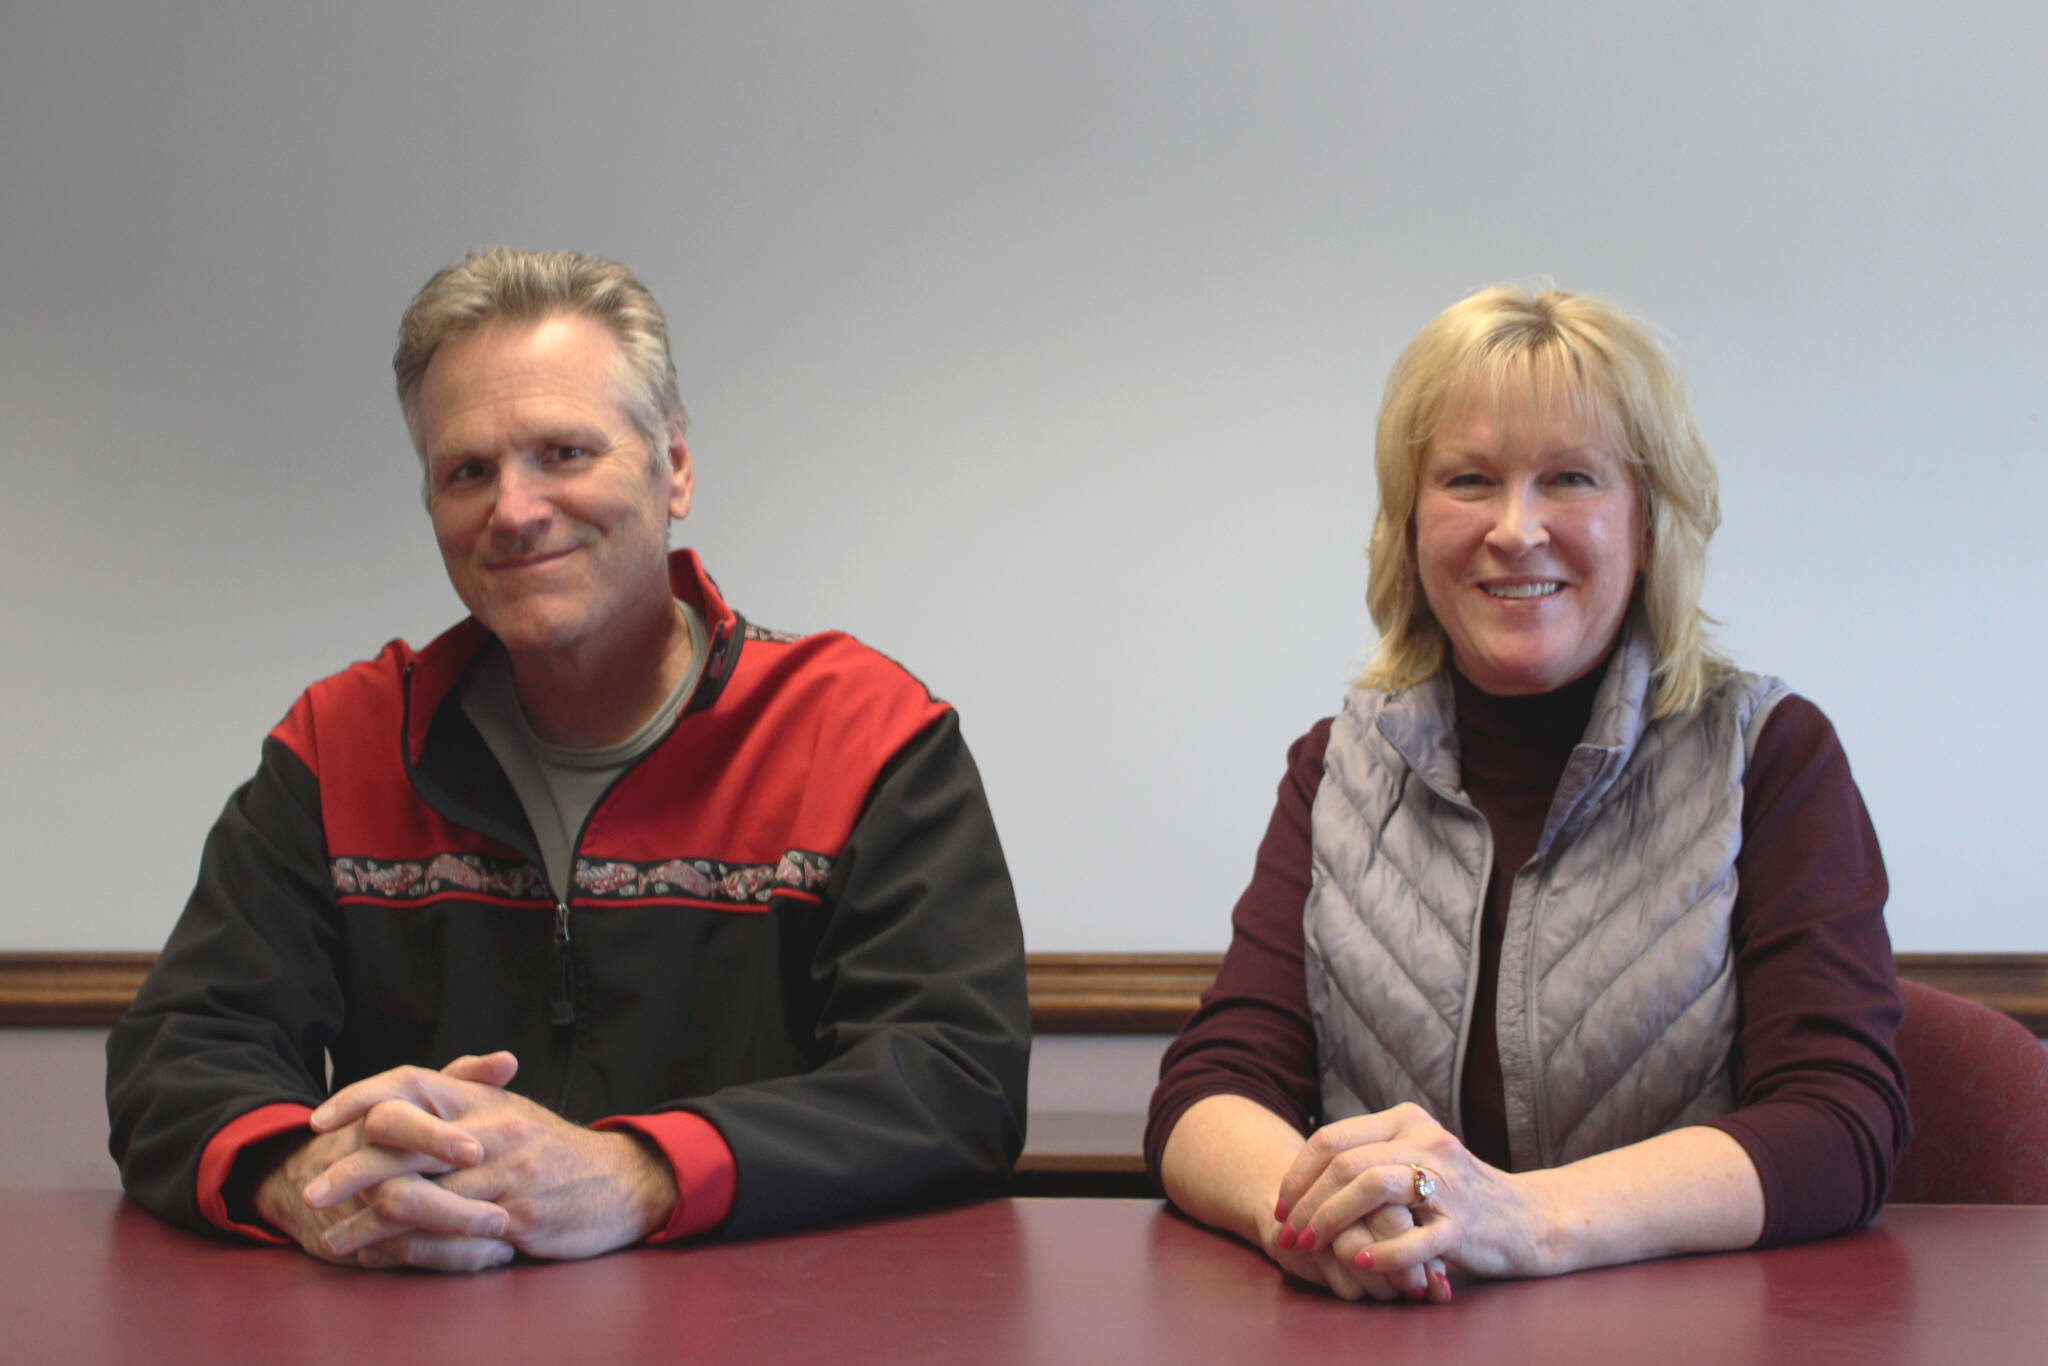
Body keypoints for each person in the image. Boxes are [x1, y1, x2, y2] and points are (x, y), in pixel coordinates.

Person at [106, 248, 1030, 1272]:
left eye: (563, 452)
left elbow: (955, 1079)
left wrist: (634, 1174)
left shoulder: (860, 734)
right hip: (425, 1329)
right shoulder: (340, 746)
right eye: (467, 471)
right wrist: (308, 1183)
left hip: (767, 1326)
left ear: (671, 465)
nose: (514, 509)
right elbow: (175, 1054)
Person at [1146, 283, 1907, 1303]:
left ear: (1648, 521)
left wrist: (1521, 1219)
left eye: (1569, 478)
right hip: (1394, 1327)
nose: (1514, 529)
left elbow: (1837, 1123)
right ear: (1409, 522)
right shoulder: (1334, 766)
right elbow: (1210, 1087)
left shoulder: (1769, 753)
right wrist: (1304, 1210)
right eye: (1467, 478)